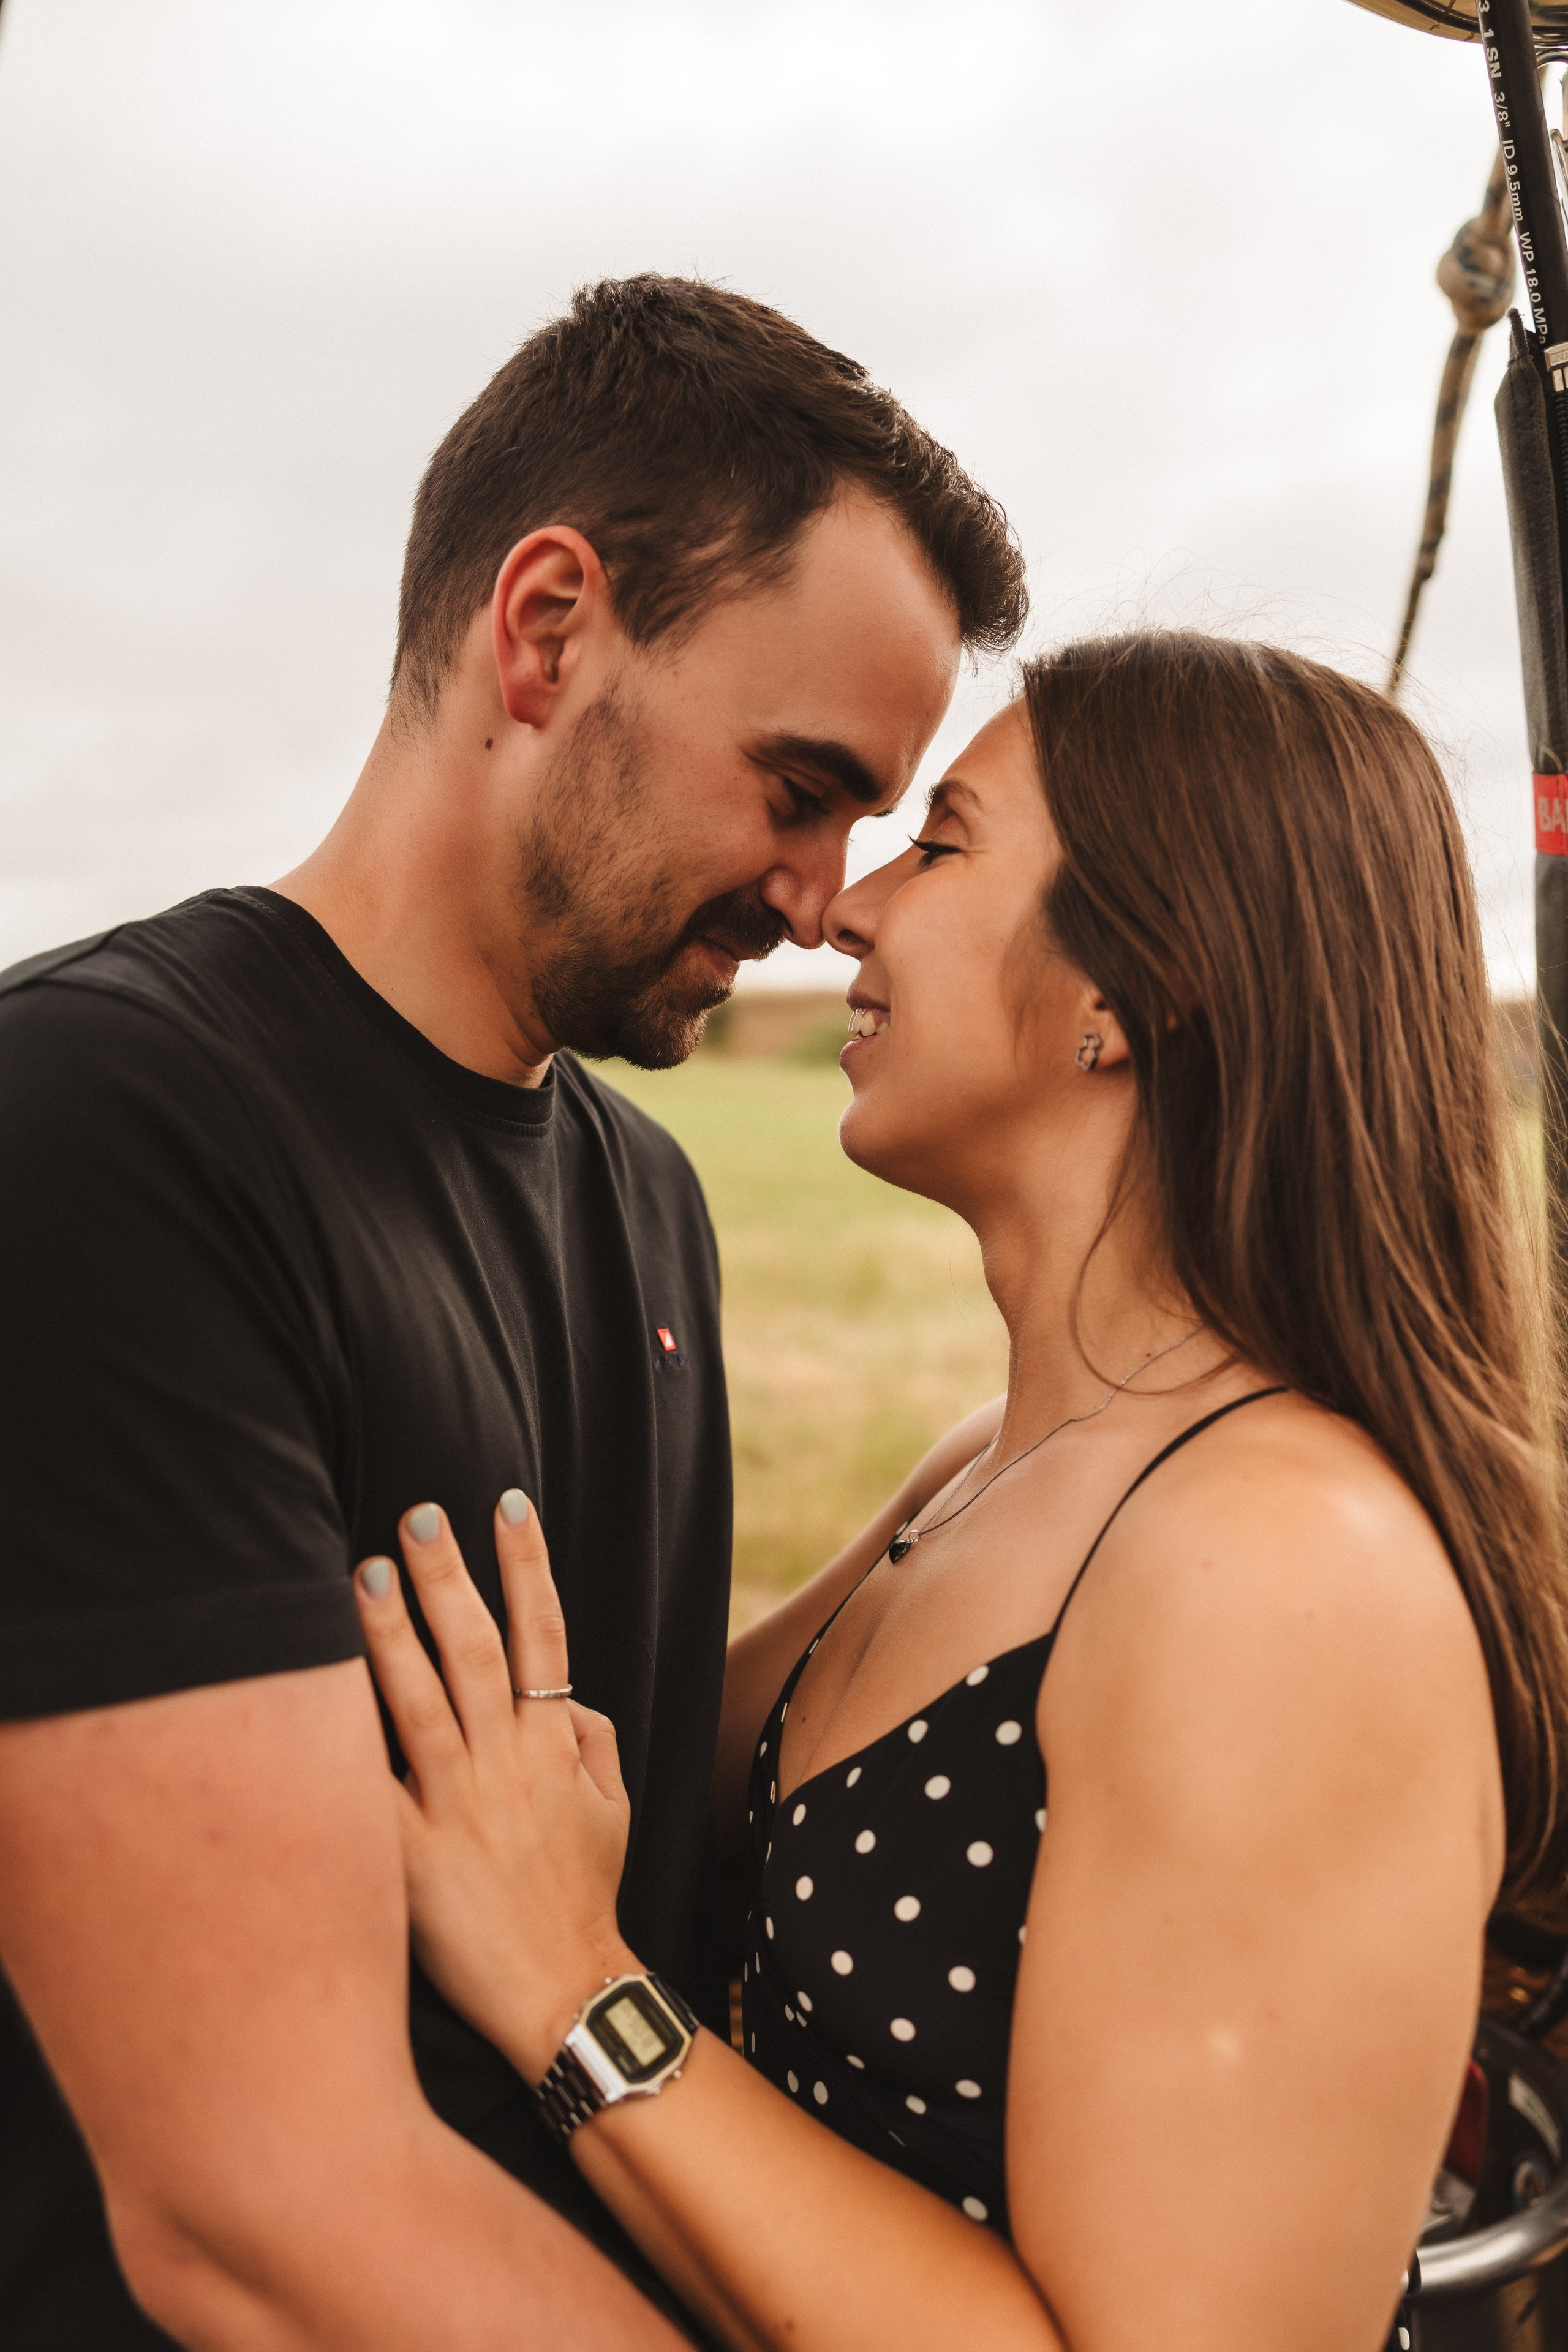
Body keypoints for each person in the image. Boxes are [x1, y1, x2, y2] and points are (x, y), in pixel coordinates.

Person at [0, 274, 1027, 2347]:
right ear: (546, 630)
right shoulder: (105, 1131)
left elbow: (605, 1788)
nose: (827, 897)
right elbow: (251, 2207)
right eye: (800, 780)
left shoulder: (641, 1193)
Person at [352, 630, 1568, 2352]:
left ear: (1132, 994)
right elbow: (597, 1787)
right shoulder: (986, 1471)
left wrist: (576, 1998)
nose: (844, 910)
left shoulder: (1282, 1566)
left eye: (942, 845)